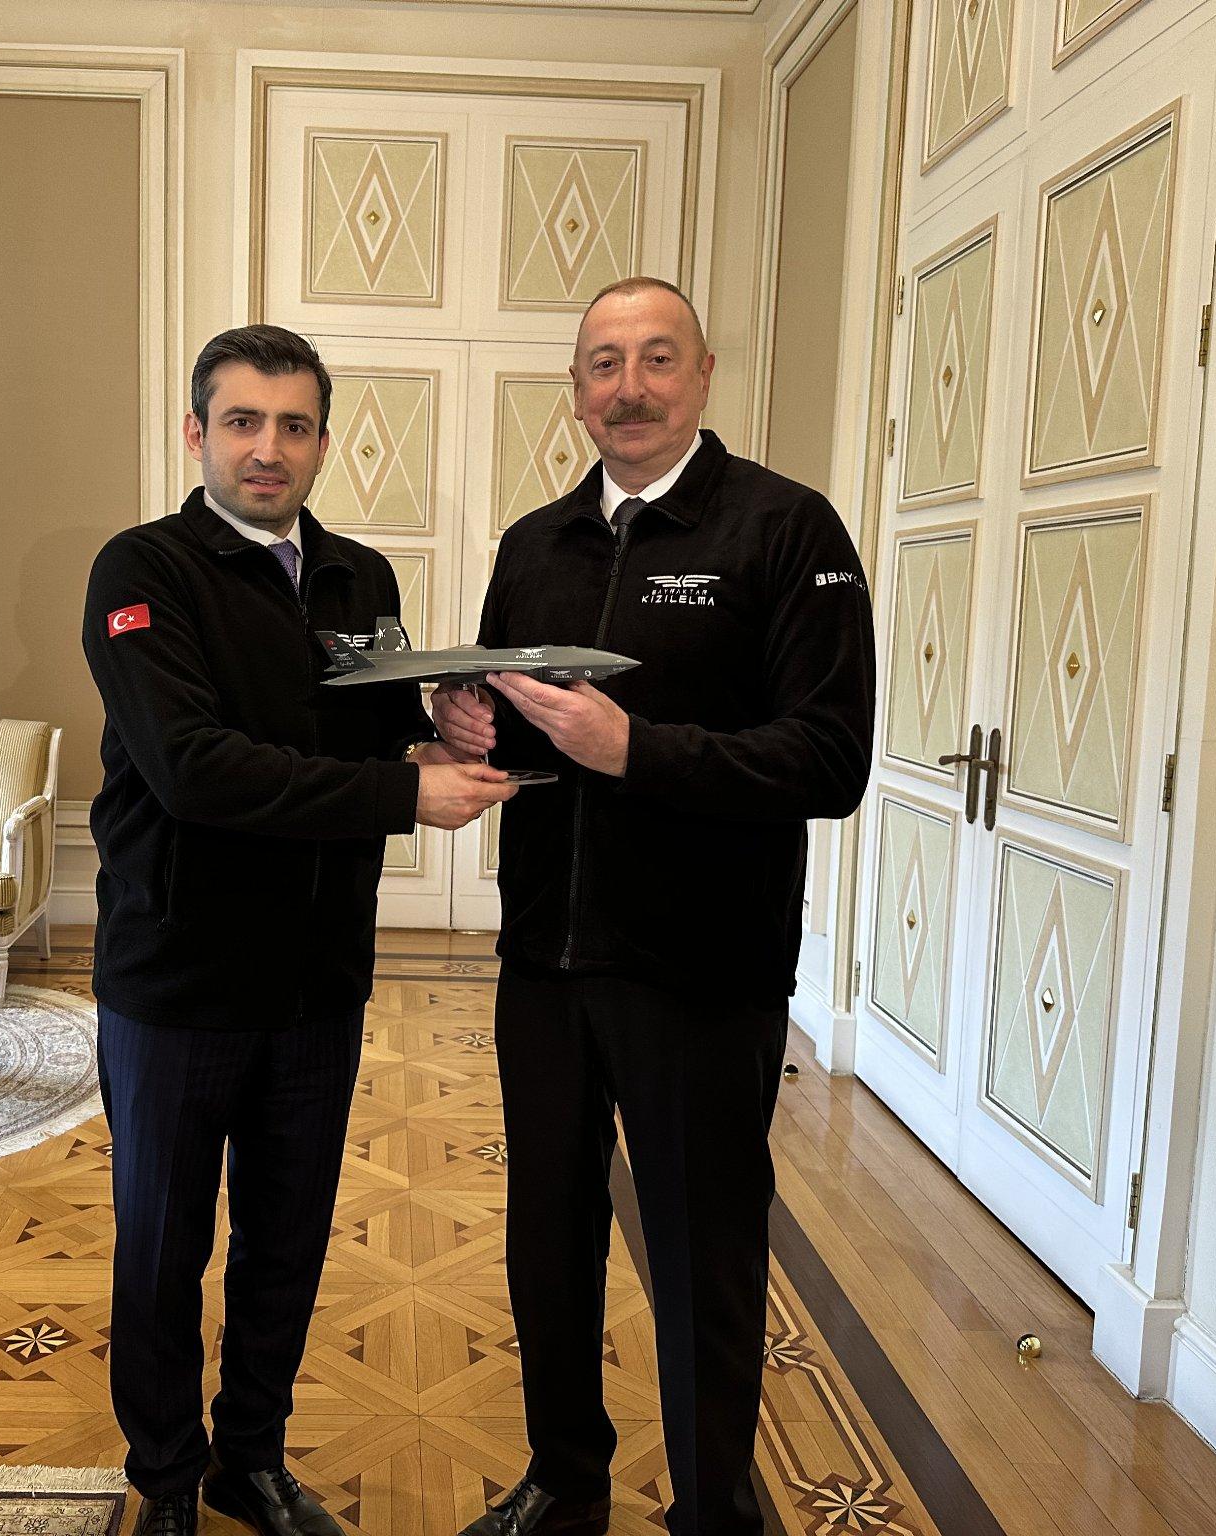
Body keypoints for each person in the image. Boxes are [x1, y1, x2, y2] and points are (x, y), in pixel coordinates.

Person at [433, 277, 875, 1536]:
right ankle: (565, 1480)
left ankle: (712, 1513)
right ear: (575, 391)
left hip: (702, 972)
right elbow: (504, 715)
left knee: (700, 1254)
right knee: (546, 1239)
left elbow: (829, 761)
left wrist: (639, 750)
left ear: (703, 373)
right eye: (602, 364)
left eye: (655, 359)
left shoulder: (785, 530)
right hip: (544, 960)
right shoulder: (532, 545)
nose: (627, 388)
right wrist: (460, 718)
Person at [83, 324, 514, 1536]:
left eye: (292, 425)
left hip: (318, 977)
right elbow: (193, 770)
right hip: (177, 977)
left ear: (322, 443)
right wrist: (400, 793)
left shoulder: (360, 580)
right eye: (241, 422)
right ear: (196, 433)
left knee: (286, 1239)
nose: (266, 448)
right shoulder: (141, 570)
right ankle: (166, 1477)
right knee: (162, 1247)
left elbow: (370, 737)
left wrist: (438, 728)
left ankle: (250, 1460)